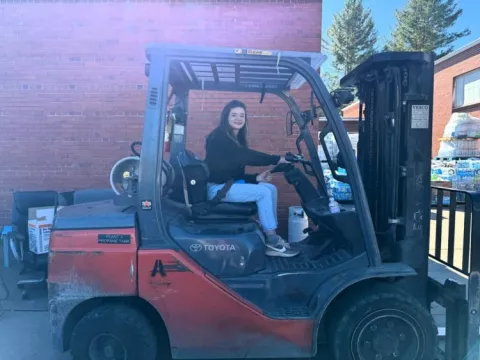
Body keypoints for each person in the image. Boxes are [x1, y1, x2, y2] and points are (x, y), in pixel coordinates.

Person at [205, 100, 299, 258]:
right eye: (234, 115)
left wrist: (256, 178)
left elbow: (231, 172)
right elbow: (246, 156)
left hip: (226, 184)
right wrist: (277, 159)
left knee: (270, 188)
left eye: (242, 115)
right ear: (226, 117)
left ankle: (270, 235)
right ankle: (272, 241)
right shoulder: (219, 137)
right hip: (216, 189)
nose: (238, 118)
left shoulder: (234, 139)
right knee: (263, 193)